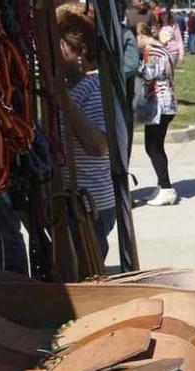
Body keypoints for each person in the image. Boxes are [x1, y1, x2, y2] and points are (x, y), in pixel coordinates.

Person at [55, 3, 115, 258]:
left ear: (78, 50)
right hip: (75, 203)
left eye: (58, 46)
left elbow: (98, 146)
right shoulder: (73, 87)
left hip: (90, 206)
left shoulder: (94, 87)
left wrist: (64, 103)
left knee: (88, 276)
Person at [136, 23, 178, 206]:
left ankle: (167, 188)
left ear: (140, 35)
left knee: (153, 147)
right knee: (155, 146)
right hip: (166, 101)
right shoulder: (163, 50)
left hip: (159, 104)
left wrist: (134, 67)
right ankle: (163, 185)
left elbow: (148, 74)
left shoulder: (152, 52)